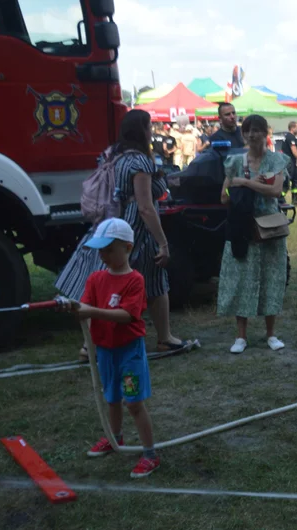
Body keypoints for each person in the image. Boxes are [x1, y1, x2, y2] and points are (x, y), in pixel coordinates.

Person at [55, 109, 188, 359]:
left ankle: (89, 345)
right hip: (134, 230)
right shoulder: (140, 161)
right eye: (149, 126)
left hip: (108, 223)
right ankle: (164, 338)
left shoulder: (113, 154)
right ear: (142, 130)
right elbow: (146, 207)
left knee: (105, 283)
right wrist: (163, 243)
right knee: (156, 283)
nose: (152, 131)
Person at [64, 218, 160, 479]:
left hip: (129, 352)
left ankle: (150, 454)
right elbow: (84, 309)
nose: (103, 255)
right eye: (100, 250)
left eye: (109, 249)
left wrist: (91, 311)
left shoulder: (135, 281)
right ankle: (114, 438)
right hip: (105, 352)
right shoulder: (96, 279)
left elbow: (127, 315)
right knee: (112, 398)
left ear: (127, 248)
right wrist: (74, 308)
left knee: (133, 402)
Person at [218, 114, 290, 354]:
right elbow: (224, 196)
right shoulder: (235, 161)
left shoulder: (277, 160)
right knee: (241, 280)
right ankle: (241, 336)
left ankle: (271, 334)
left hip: (268, 227)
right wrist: (243, 182)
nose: (251, 134)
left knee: (271, 278)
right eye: (247, 130)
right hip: (242, 227)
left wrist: (244, 183)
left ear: (265, 133)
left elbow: (275, 191)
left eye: (256, 130)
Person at [280, 120, 297, 205]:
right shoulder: (290, 137)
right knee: (286, 182)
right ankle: (280, 199)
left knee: (296, 179)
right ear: (292, 128)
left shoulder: (287, 136)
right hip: (289, 162)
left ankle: (295, 200)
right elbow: (294, 151)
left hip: (290, 162)